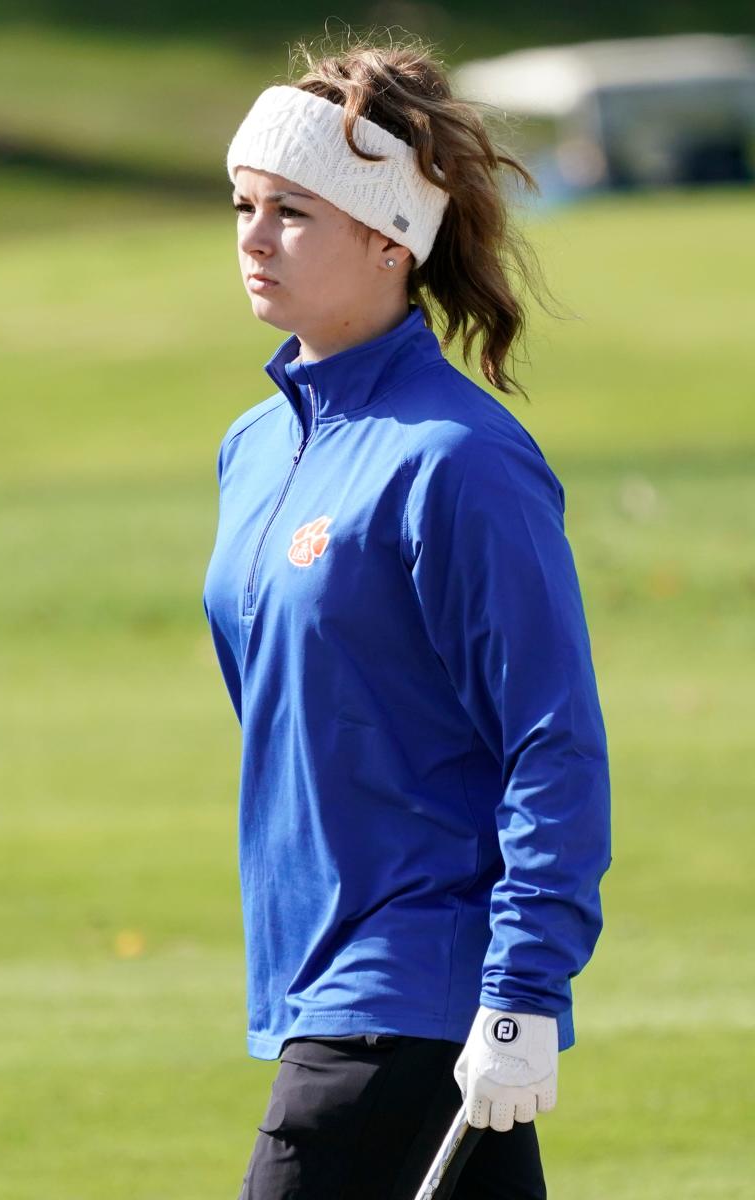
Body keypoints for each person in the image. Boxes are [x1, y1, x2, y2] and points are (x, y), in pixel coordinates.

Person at [201, 31, 612, 1200]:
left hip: (409, 991)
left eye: (293, 212)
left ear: (391, 239)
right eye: (243, 204)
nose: (252, 236)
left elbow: (552, 737)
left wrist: (526, 988)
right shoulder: (254, 446)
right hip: (317, 976)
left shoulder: (461, 460)